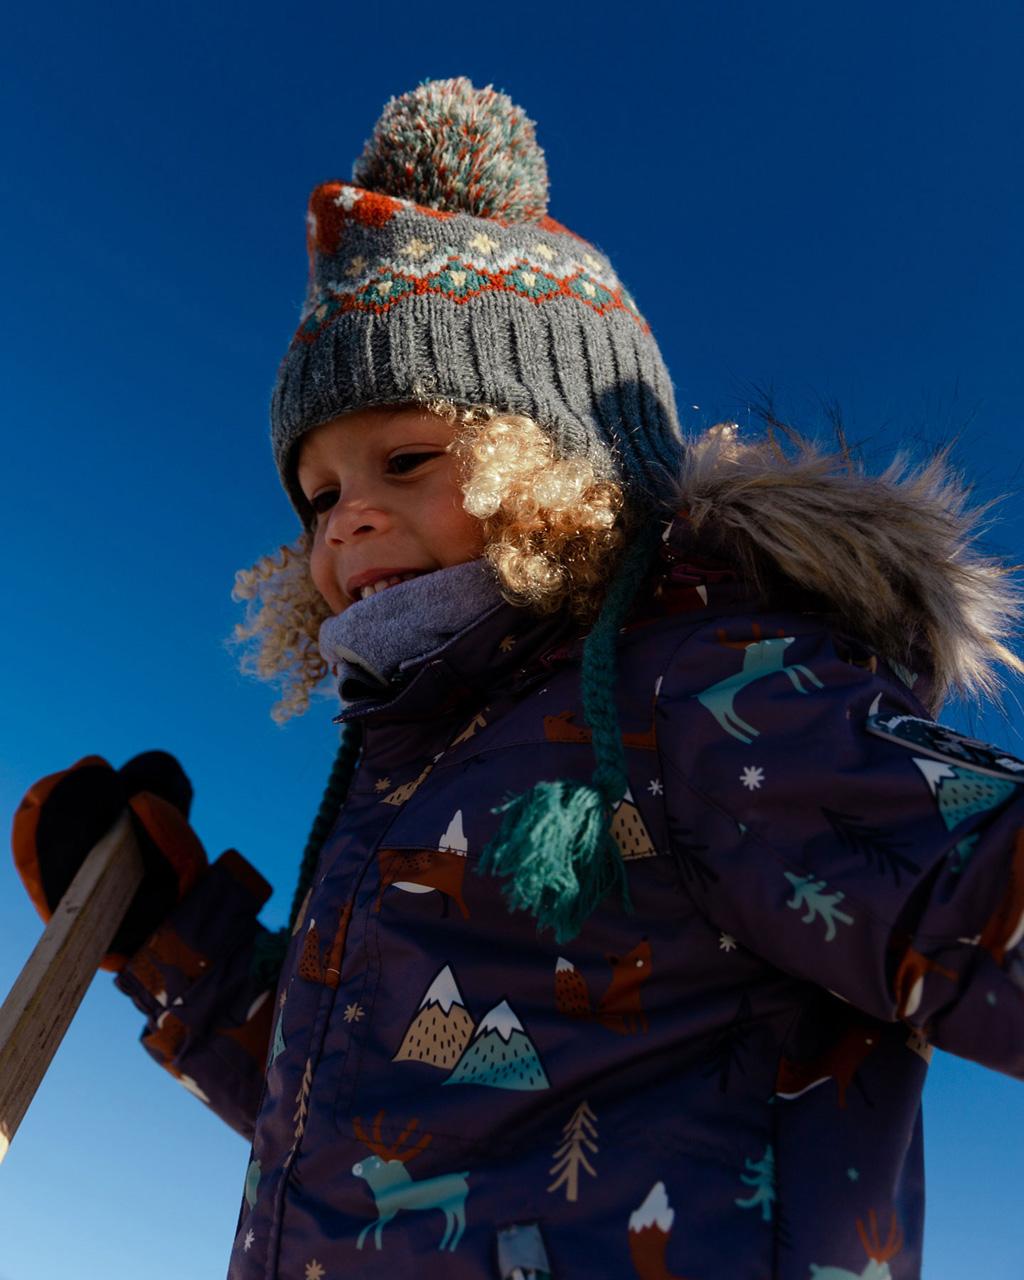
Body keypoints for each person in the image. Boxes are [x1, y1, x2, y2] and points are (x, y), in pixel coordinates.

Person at [13, 77, 1024, 1280]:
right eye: (321, 493)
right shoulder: (414, 761)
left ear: (551, 467)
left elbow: (973, 883)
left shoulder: (704, 693)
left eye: (403, 459)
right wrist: (174, 943)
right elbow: (367, 1095)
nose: (348, 523)